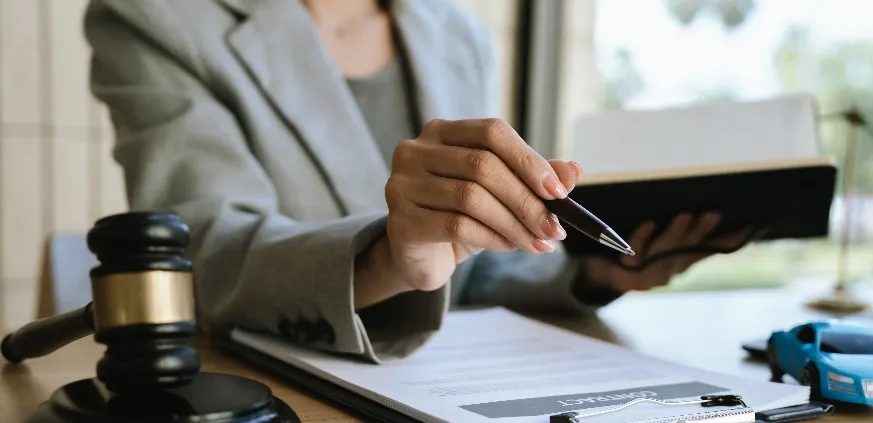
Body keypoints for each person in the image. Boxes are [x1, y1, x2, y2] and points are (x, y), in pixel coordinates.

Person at [84, 0, 748, 363]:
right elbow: (206, 249)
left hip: (452, 405)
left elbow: (468, 269)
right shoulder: (155, 15)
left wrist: (590, 277)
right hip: (290, 415)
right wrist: (387, 257)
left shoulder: (456, 31)